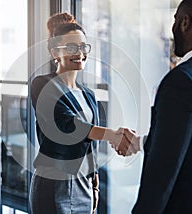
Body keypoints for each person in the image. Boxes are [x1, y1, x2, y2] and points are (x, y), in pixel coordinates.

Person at [112, 0, 192, 213]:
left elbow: (162, 173)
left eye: (174, 21)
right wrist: (144, 142)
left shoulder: (183, 81)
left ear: (185, 23)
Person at [29, 13, 136, 214]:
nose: (80, 53)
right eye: (71, 47)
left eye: (83, 46)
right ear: (54, 52)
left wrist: (94, 185)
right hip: (54, 184)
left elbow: (89, 146)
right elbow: (67, 125)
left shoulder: (88, 95)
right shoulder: (42, 85)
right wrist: (112, 134)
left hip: (83, 186)